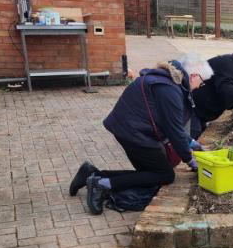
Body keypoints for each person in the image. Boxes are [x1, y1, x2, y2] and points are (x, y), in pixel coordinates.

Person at [68, 53, 214, 215]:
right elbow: (174, 130)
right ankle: (102, 184)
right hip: (134, 132)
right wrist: (189, 159)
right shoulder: (170, 90)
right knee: (164, 175)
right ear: (194, 76)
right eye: (201, 83)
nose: (198, 87)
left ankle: (92, 174)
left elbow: (169, 124)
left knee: (150, 174)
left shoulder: (170, 81)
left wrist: (191, 142)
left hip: (129, 127)